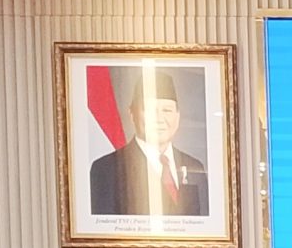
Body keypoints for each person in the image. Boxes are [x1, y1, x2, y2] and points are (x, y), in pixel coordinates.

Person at [89, 73, 209, 218]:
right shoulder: (107, 168)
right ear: (132, 114)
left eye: (167, 110)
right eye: (150, 110)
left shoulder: (194, 167)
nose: (159, 119)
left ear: (178, 116)